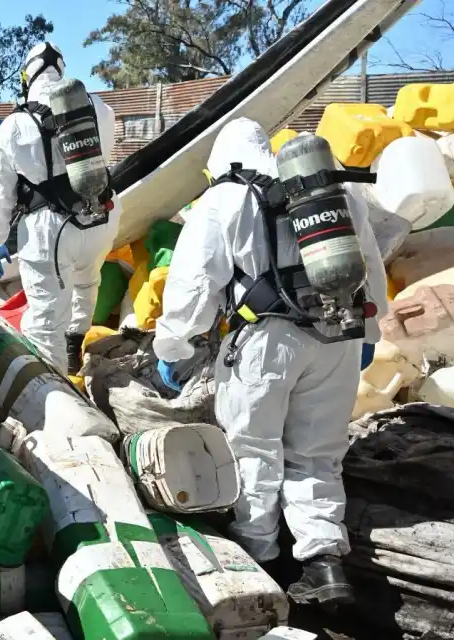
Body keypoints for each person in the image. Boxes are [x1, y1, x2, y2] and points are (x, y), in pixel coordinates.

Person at [153, 118, 387, 607]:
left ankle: (258, 561)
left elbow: (192, 288)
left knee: (253, 449)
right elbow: (369, 264)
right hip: (336, 335)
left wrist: (174, 348)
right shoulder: (332, 188)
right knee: (318, 453)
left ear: (221, 162)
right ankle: (325, 567)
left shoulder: (224, 199)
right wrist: (371, 331)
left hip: (265, 344)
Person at [0, 42, 121, 376]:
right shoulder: (98, 106)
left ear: (28, 74)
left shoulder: (16, 123)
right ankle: (74, 348)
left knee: (46, 320)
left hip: (51, 233)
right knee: (87, 282)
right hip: (101, 217)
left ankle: (56, 392)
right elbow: (106, 157)